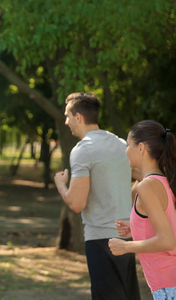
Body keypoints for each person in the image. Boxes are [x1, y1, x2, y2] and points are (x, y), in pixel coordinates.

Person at [53, 92, 140, 300]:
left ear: (79, 117)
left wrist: (61, 185)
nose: (66, 121)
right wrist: (126, 198)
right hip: (127, 236)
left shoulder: (83, 150)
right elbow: (145, 176)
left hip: (101, 239)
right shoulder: (120, 144)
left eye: (67, 116)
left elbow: (76, 203)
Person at [108, 120, 176, 299]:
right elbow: (173, 228)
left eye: (128, 145)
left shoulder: (147, 186)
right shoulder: (169, 182)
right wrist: (136, 229)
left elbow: (167, 241)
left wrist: (126, 246)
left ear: (141, 148)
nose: (125, 151)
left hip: (170, 285)